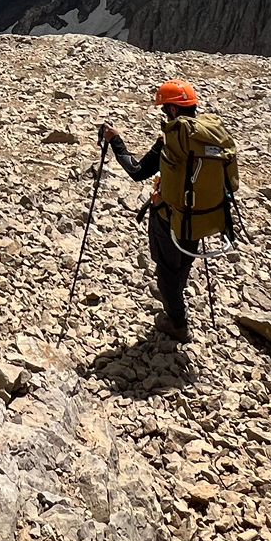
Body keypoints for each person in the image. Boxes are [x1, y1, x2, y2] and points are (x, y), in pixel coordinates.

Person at [99, 80, 237, 343]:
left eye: (165, 109)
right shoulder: (207, 135)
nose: (164, 114)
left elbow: (138, 172)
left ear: (173, 111)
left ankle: (177, 322)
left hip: (169, 216)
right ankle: (177, 298)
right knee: (184, 259)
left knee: (166, 271)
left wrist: (116, 141)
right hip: (200, 214)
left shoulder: (172, 140)